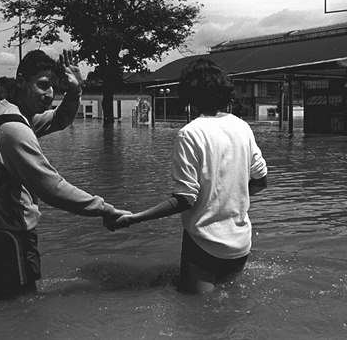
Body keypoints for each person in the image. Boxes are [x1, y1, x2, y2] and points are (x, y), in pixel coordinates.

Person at [0, 50, 129, 298]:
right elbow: (52, 188)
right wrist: (104, 209)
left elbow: (59, 120)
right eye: (43, 85)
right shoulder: (13, 129)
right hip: (8, 239)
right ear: (20, 80)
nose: (49, 94)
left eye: (54, 88)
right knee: (23, 309)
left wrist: (75, 91)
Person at [107, 59, 268, 294]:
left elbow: (185, 199)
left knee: (197, 316)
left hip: (204, 243)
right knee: (229, 307)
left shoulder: (190, 133)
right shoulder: (242, 127)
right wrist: (228, 196)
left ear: (190, 98)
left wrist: (135, 218)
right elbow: (261, 181)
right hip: (240, 243)